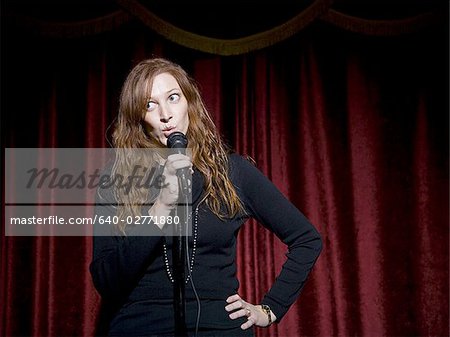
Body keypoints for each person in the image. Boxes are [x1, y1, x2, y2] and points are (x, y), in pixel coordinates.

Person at [89, 57, 322, 337]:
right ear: (137, 116)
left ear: (190, 102)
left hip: (219, 328)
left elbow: (307, 239)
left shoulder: (232, 171)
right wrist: (160, 207)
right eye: (149, 104)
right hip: (140, 327)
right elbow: (105, 280)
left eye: (173, 98)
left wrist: (270, 309)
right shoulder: (115, 180)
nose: (165, 114)